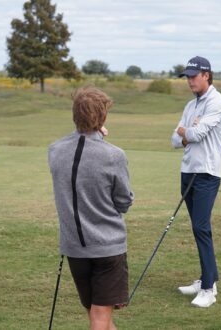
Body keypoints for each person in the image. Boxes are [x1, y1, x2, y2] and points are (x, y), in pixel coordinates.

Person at [48, 87, 134, 329]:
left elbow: (79, 148)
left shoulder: (54, 150)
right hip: (107, 246)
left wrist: (94, 134)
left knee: (99, 314)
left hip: (75, 247)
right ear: (103, 118)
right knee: (99, 316)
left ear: (75, 115)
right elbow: (123, 201)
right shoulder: (114, 155)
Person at [171, 56, 221, 308]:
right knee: (198, 228)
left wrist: (186, 131)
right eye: (188, 76)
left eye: (194, 76)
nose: (190, 81)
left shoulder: (217, 102)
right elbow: (175, 139)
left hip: (206, 173)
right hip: (187, 171)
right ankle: (208, 277)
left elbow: (195, 133)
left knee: (201, 227)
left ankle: (208, 289)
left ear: (207, 75)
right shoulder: (190, 105)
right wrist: (186, 132)